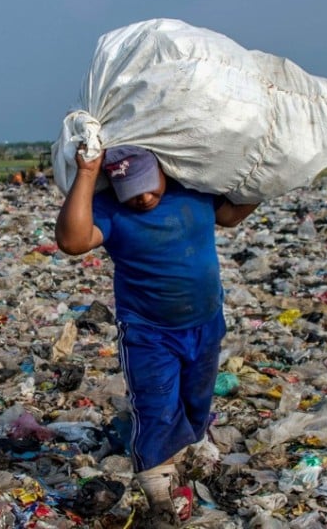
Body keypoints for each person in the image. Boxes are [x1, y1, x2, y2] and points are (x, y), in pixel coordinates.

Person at [55, 145, 257, 526]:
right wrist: (86, 172)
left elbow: (230, 215)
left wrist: (269, 181)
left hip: (205, 321)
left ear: (165, 170)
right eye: (130, 190)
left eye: (148, 185)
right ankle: (159, 496)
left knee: (197, 401)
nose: (142, 196)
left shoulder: (193, 191)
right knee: (156, 406)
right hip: (149, 331)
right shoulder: (110, 209)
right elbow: (72, 241)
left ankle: (185, 459)